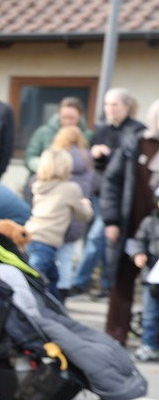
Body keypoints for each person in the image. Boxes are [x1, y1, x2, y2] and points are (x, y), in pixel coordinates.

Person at [68, 88, 146, 299]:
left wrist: (111, 155)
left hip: (120, 197)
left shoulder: (137, 131)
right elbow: (91, 161)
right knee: (99, 240)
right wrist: (94, 154)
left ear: (127, 106)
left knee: (98, 238)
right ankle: (105, 284)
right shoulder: (101, 130)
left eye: (114, 105)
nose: (110, 109)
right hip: (97, 190)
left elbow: (129, 166)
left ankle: (80, 282)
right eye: (107, 105)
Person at [100, 97, 159, 345]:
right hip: (129, 227)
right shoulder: (135, 143)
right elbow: (111, 182)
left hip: (156, 235)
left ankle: (151, 341)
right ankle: (114, 338)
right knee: (121, 284)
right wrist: (111, 220)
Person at [24, 150, 93, 299]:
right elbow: (84, 215)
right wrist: (86, 204)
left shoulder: (39, 184)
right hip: (46, 241)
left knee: (52, 279)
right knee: (34, 282)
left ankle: (55, 310)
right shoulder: (70, 188)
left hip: (30, 234)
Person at [49, 126, 98, 295]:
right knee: (67, 258)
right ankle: (63, 291)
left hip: (54, 221)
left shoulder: (56, 158)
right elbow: (92, 187)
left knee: (51, 258)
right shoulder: (87, 159)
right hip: (76, 219)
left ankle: (49, 292)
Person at [24, 96, 89, 177]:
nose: (68, 122)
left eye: (71, 118)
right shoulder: (44, 132)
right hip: (44, 179)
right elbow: (30, 158)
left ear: (80, 116)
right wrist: (49, 167)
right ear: (59, 115)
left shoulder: (86, 136)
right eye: (65, 117)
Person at [130, 186, 159, 362]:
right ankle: (148, 345)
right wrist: (138, 254)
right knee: (150, 315)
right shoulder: (149, 222)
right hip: (152, 276)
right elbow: (139, 241)